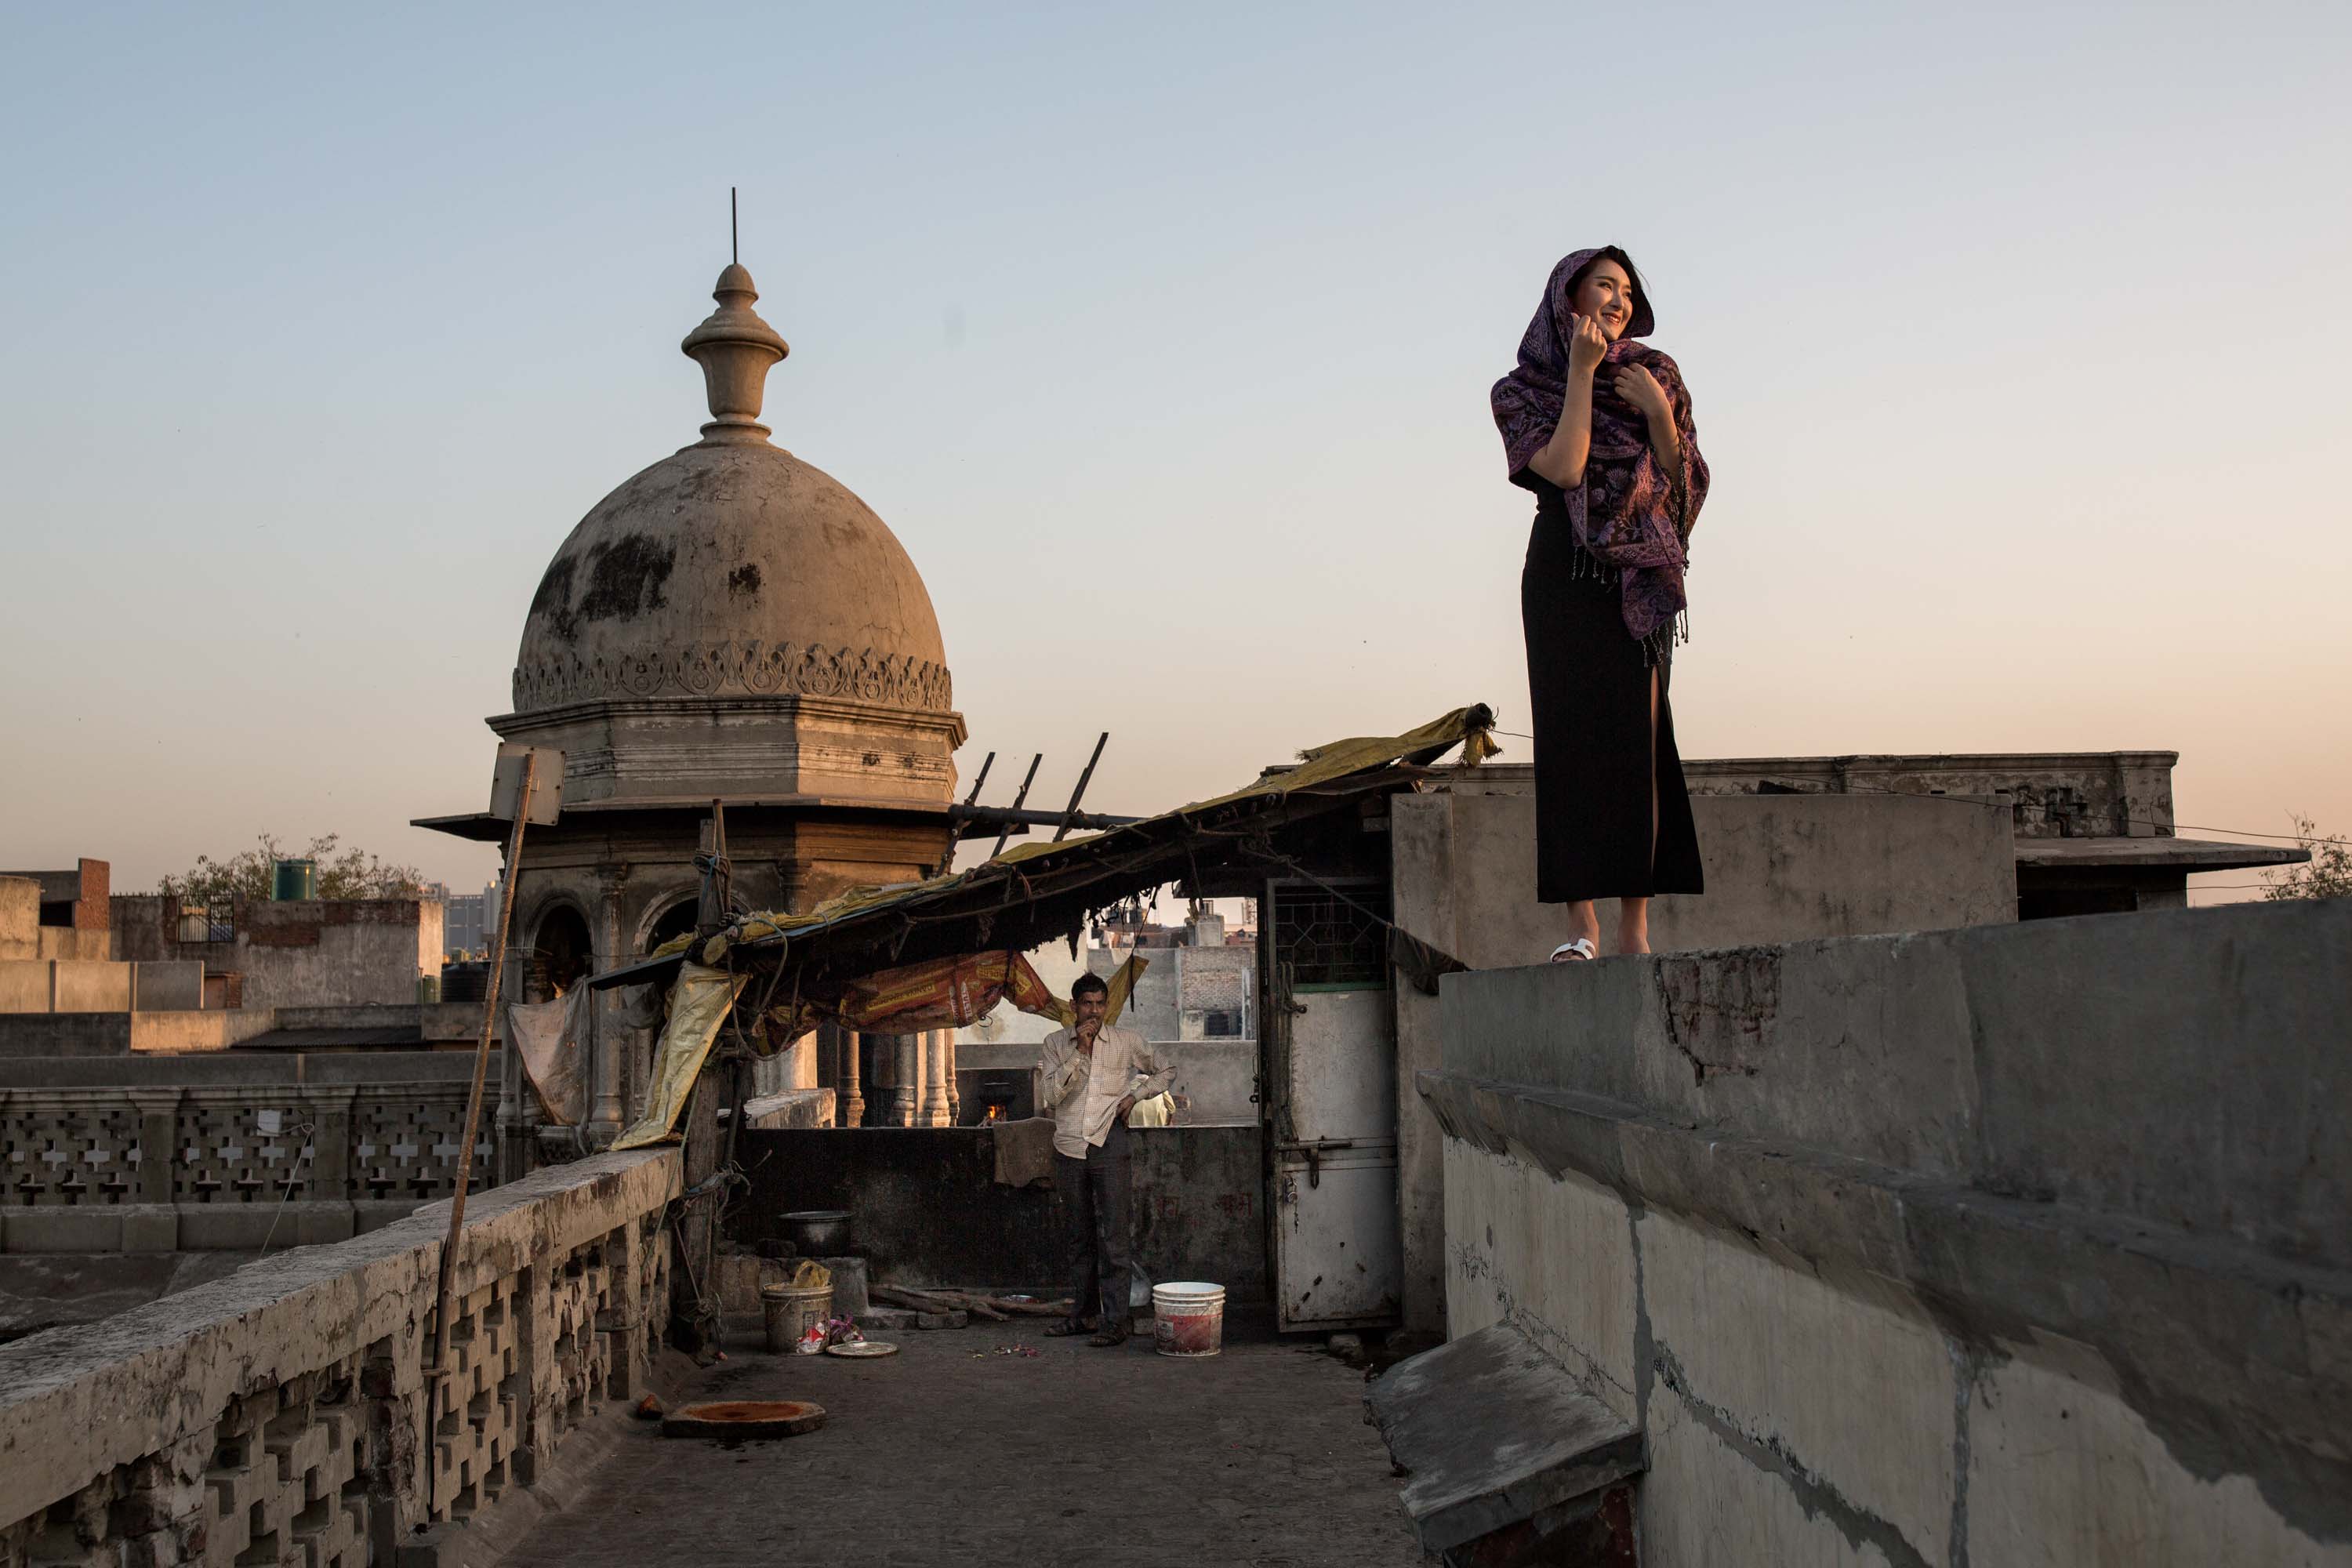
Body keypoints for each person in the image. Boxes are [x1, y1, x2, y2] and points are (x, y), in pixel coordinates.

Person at [1493, 245, 1711, 962]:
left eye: (1626, 290)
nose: (1617, 301)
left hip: (1637, 580)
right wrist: (1582, 374)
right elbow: (1564, 468)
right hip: (1563, 574)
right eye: (1603, 287)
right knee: (1570, 743)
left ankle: (1633, 934)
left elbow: (1686, 483)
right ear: (1569, 298)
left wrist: (1658, 416)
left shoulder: (1659, 375)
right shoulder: (1521, 390)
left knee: (1638, 748)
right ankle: (1580, 928)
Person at [1036, 973, 1172, 1345]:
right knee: (1078, 1238)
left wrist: (1135, 1096)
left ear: (1106, 1006)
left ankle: (1115, 1322)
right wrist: (1080, 1052)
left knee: (1114, 1237)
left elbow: (1166, 1070)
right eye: (1086, 1004)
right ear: (1074, 1006)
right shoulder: (1055, 1044)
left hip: (1109, 1143)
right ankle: (1083, 1316)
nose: (1093, 1011)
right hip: (1068, 1147)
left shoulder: (1126, 1042)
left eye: (1099, 1004)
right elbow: (1051, 1096)